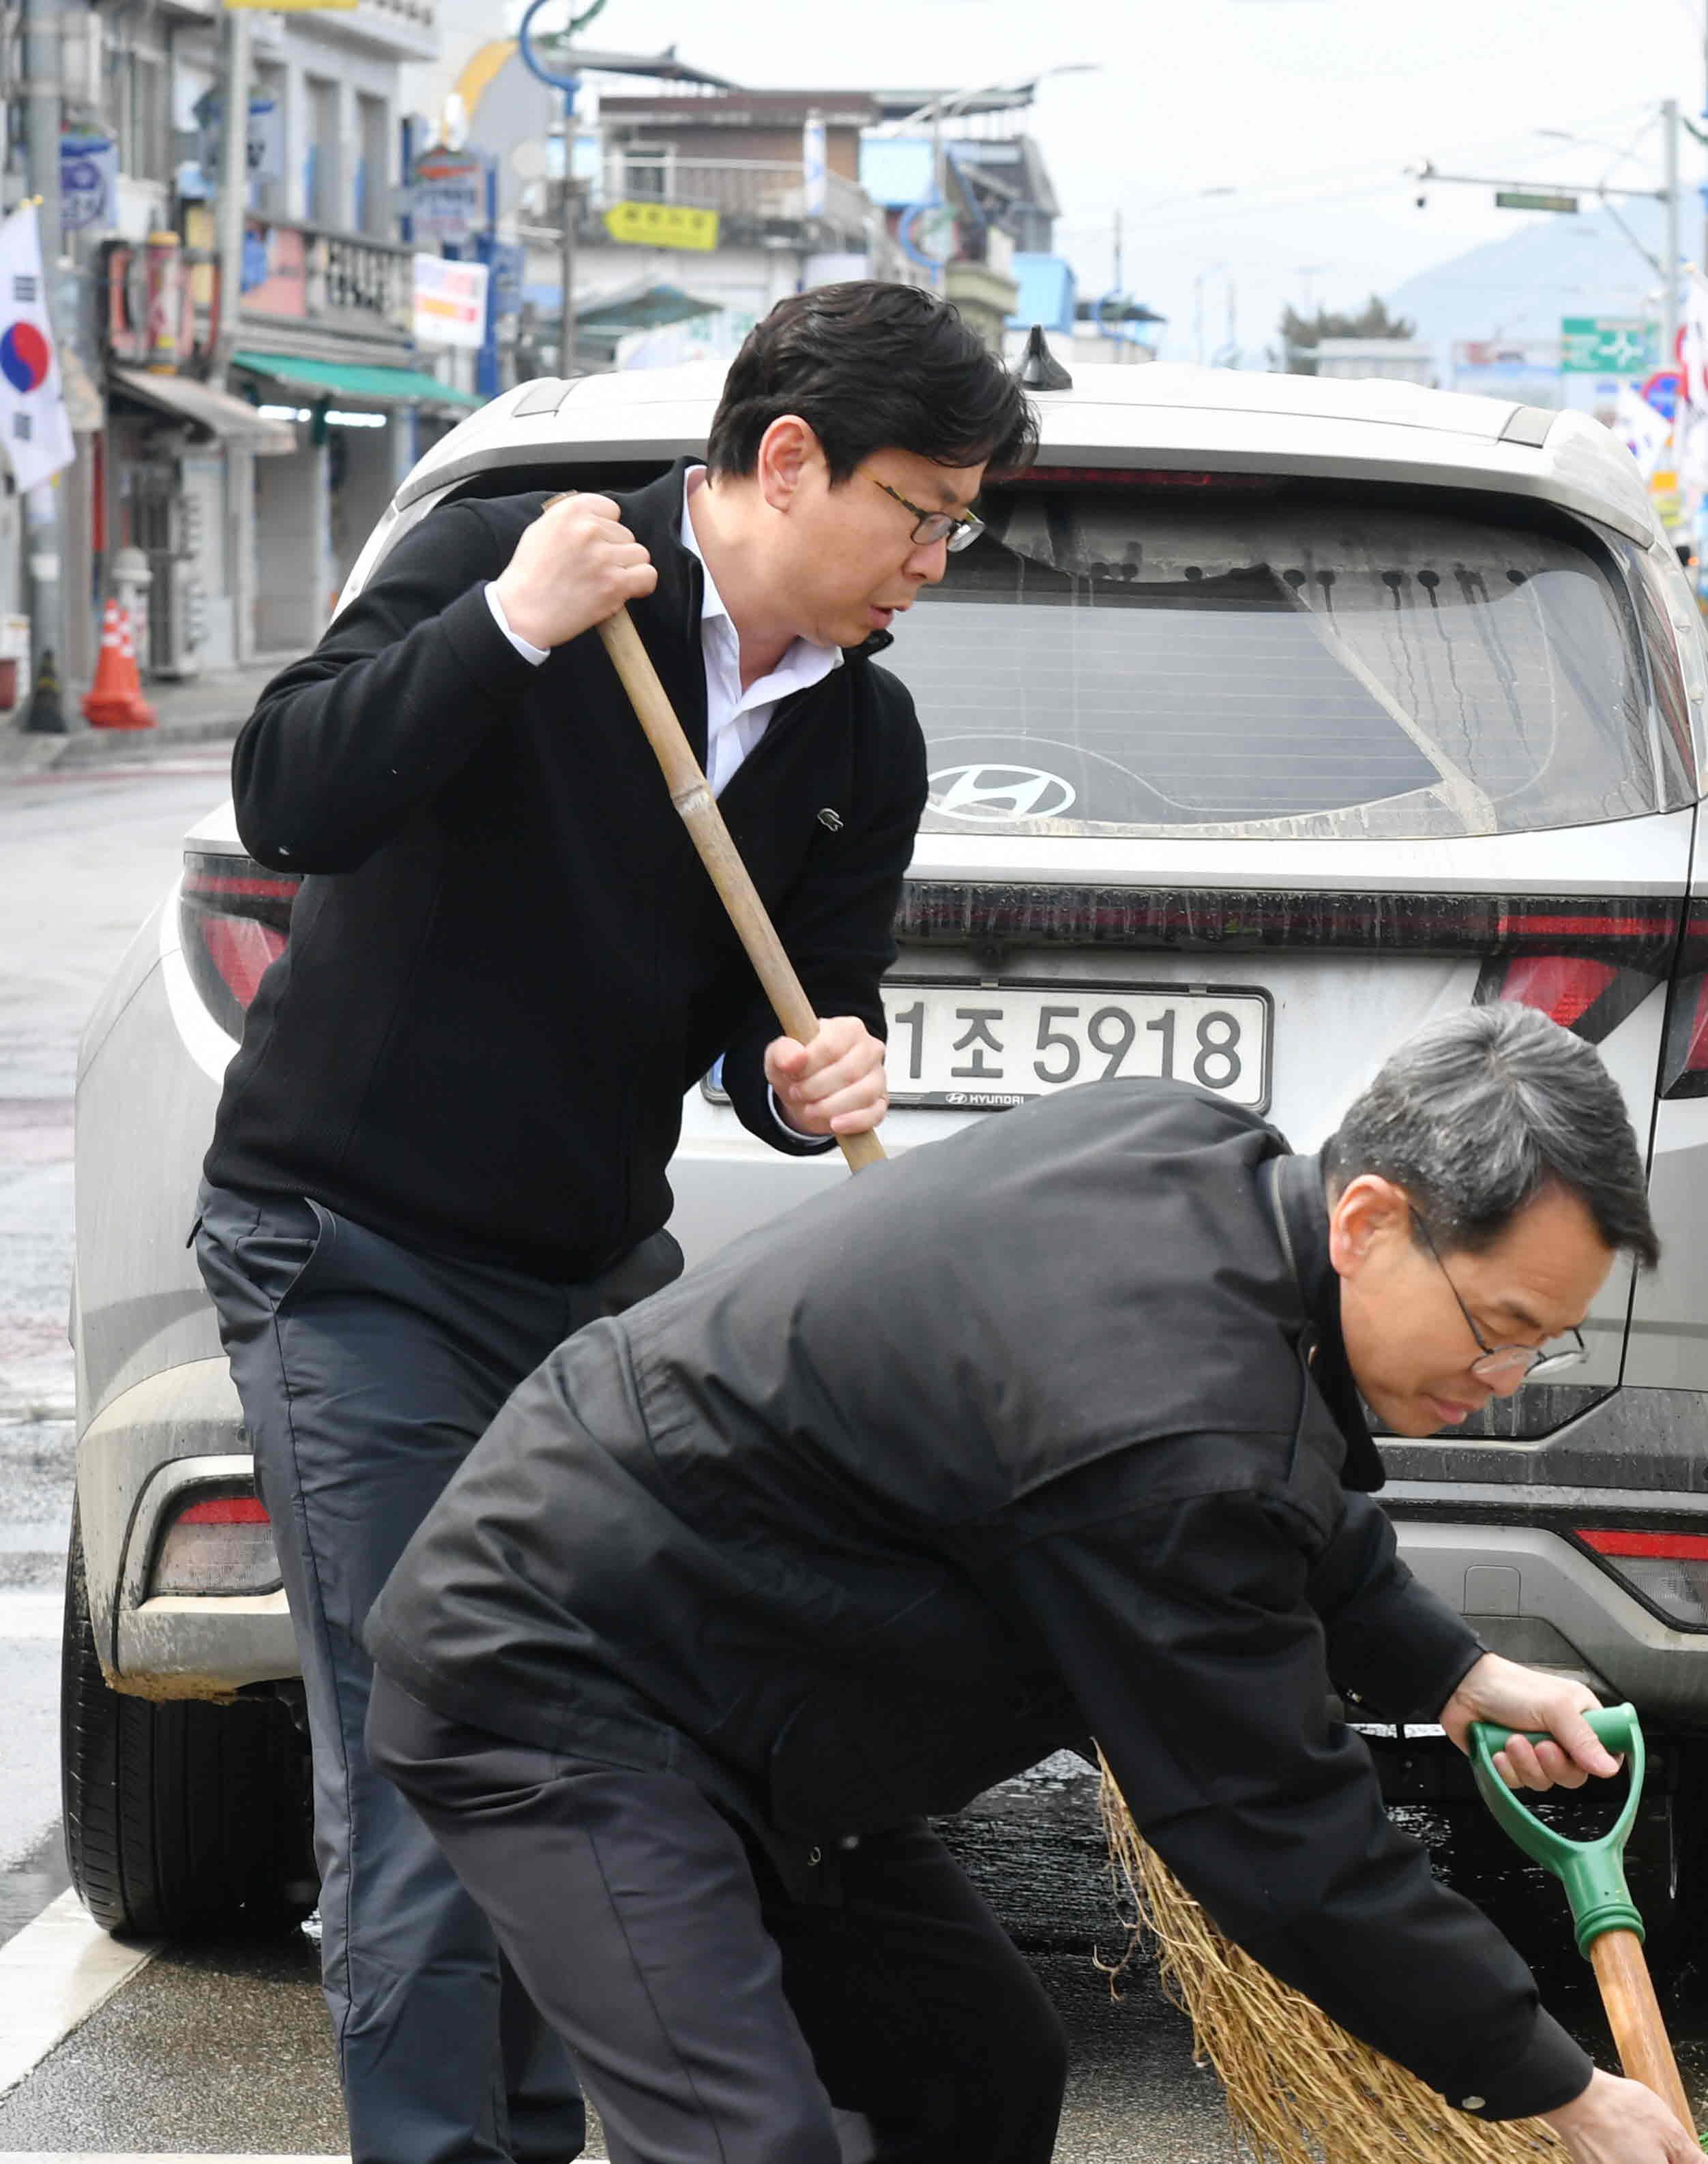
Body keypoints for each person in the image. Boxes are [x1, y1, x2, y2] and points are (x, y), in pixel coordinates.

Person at [192, 282, 1037, 2164]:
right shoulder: (522, 564)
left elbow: (787, 996)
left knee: (578, 1733)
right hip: (360, 1250)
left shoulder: (861, 737)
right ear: (791, 454)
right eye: (919, 511)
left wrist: (809, 1068)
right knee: (428, 1746)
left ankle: (559, 2125)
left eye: (959, 525)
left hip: (586, 1276)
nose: (933, 561)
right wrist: (506, 629)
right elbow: (295, 790)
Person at [361, 1008, 1707, 2164]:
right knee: (738, 2141)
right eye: (1499, 1326)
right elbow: (1280, 1834)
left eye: (1547, 1337)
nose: (1505, 1377)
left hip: (755, 1695)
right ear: (1367, 1219)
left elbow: (1276, 1490)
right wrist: (1556, 2087)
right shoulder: (1175, 1430)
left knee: (975, 2071)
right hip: (565, 1670)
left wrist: (1458, 1673)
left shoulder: (1207, 1165)